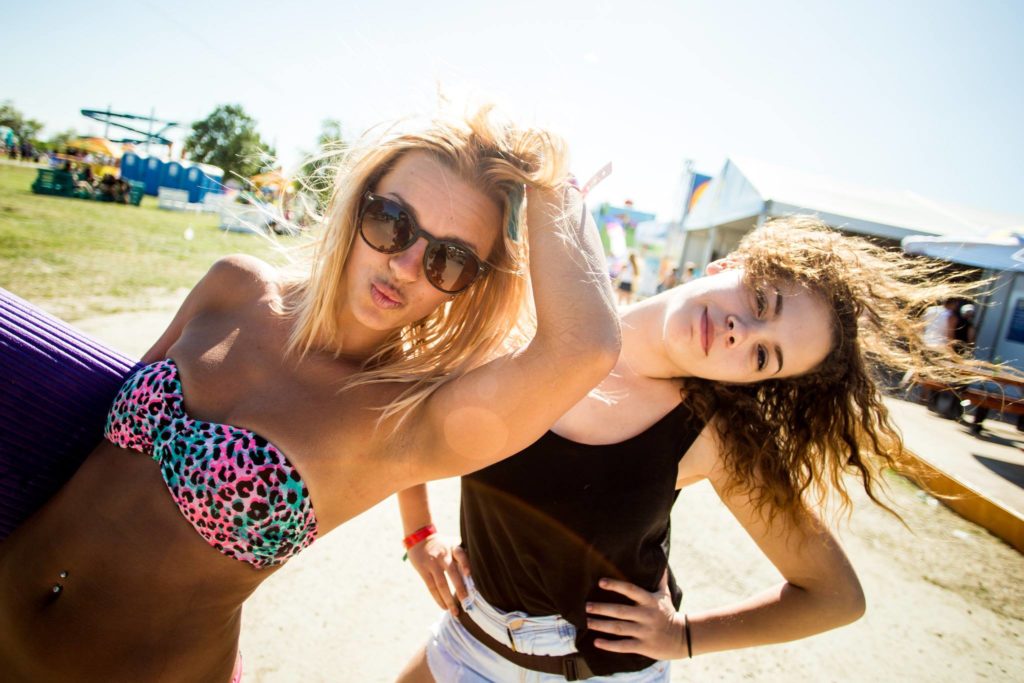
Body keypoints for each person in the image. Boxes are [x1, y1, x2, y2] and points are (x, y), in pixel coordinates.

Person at [0, 107, 620, 681]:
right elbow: (85, 439)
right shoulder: (233, 286)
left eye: (449, 260)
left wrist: (549, 178)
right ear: (357, 206)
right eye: (391, 222)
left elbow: (585, 348)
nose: (406, 266)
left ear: (471, 286)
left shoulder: (401, 420)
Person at [395, 216, 992, 682]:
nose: (741, 334)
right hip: (469, 640)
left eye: (763, 356)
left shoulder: (712, 436)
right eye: (761, 303)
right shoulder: (530, 327)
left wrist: (682, 636)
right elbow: (408, 400)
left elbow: (834, 597)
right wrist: (419, 532)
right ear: (729, 266)